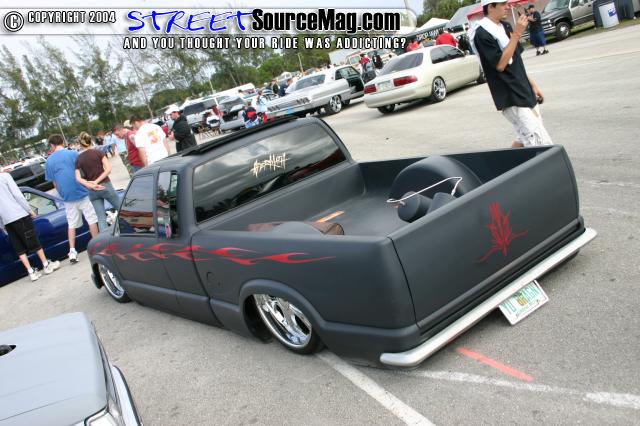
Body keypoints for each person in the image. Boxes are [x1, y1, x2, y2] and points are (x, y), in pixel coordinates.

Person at [470, 0, 553, 147]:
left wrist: (532, 85)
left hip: (523, 88)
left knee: (524, 138)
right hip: (510, 94)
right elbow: (500, 65)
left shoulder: (505, 26)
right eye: (503, 4)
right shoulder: (482, 34)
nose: (507, 7)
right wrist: (517, 34)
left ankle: (507, 162)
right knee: (539, 141)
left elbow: (517, 61)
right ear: (491, 7)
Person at [44, 134, 99, 263]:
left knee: (72, 224)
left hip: (67, 197)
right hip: (82, 191)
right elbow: (83, 172)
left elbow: (54, 183)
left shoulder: (49, 161)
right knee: (91, 219)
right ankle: (96, 245)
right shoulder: (73, 154)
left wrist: (62, 194)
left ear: (52, 145)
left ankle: (72, 251)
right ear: (62, 142)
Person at [0, 172, 61, 281]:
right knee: (33, 241)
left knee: (19, 247)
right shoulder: (5, 177)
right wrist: (29, 210)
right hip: (19, 215)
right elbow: (18, 195)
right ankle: (46, 265)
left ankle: (31, 272)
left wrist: (2, 224)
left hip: (6, 220)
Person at [74, 132, 121, 232]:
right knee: (122, 209)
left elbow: (78, 178)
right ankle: (133, 230)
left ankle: (104, 239)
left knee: (101, 218)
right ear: (91, 141)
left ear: (80, 144)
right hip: (105, 185)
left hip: (92, 191)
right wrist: (96, 181)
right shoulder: (98, 153)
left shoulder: (78, 159)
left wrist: (90, 184)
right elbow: (108, 169)